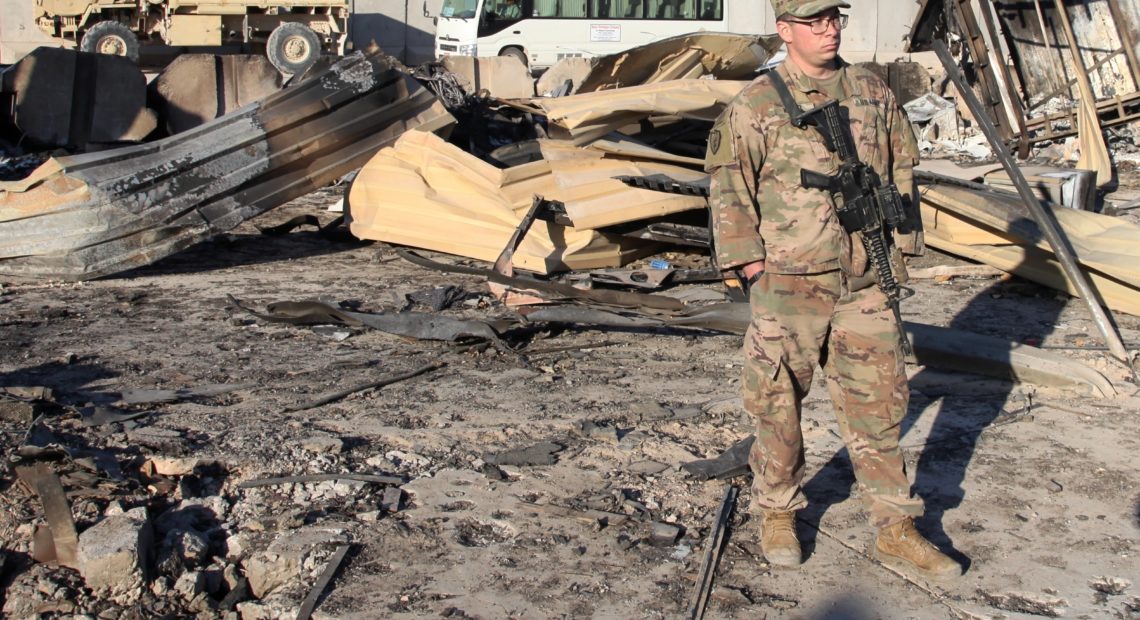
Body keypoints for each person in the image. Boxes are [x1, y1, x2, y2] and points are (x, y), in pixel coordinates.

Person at [704, 0, 963, 580]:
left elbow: (901, 170)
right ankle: (777, 511)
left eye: (833, 18)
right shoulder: (757, 104)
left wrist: (899, 247)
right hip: (788, 282)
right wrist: (750, 270)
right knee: (778, 404)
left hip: (864, 281)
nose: (827, 29)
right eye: (813, 20)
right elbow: (728, 190)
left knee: (880, 405)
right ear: (784, 29)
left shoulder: (873, 91)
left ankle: (895, 526)